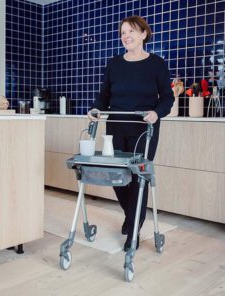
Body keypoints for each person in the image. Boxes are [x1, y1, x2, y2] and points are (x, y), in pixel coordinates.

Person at [88, 15, 174, 252]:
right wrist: (96, 108)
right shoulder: (114, 64)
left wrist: (157, 113)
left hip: (144, 128)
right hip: (116, 125)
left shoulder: (157, 64)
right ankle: (132, 214)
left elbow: (167, 97)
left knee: (138, 177)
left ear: (144, 34)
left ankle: (133, 229)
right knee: (116, 174)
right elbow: (104, 95)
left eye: (131, 31)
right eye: (123, 32)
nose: (125, 36)